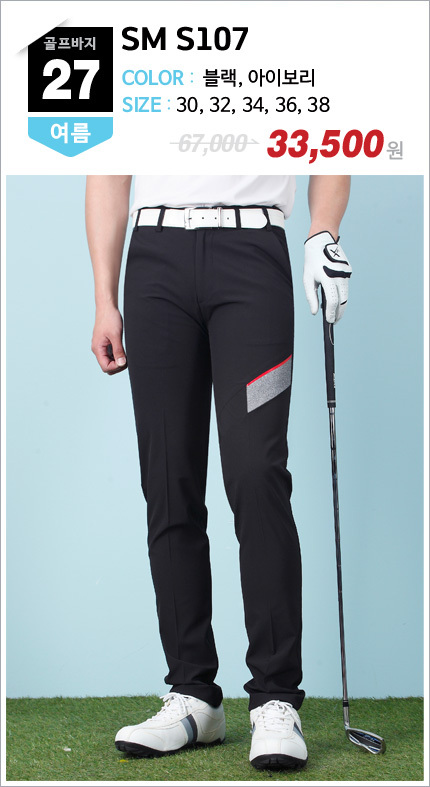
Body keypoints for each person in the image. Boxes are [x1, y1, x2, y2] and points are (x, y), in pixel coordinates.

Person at [86, 175, 351, 770]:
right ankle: (194, 695)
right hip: (155, 265)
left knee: (257, 472)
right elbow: (107, 172)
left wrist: (322, 234)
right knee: (168, 480)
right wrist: (105, 296)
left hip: (252, 259)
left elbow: (330, 143)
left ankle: (276, 697)